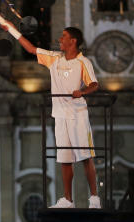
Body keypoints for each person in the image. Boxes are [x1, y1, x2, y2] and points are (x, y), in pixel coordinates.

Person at [24, 26, 101, 209]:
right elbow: (31, 49)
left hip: (78, 115)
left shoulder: (83, 62)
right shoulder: (55, 59)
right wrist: (11, 30)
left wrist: (81, 92)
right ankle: (67, 199)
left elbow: (94, 84)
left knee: (85, 156)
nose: (60, 39)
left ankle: (94, 198)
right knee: (65, 159)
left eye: (63, 36)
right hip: (60, 116)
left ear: (73, 41)